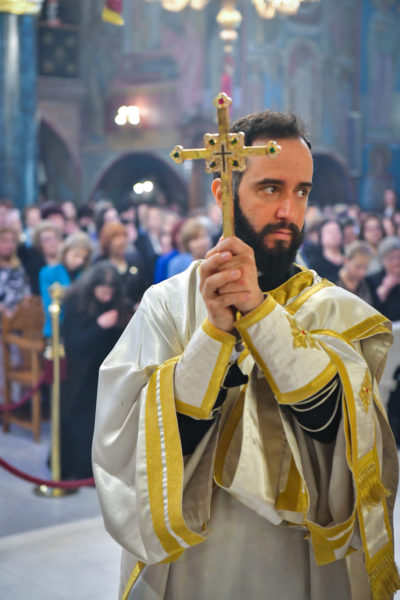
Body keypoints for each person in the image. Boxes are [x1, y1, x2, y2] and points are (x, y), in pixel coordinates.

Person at [93, 111, 399, 600]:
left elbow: (338, 433)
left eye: (302, 191)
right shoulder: (168, 305)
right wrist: (213, 335)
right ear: (223, 195)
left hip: (296, 561)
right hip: (194, 558)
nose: (289, 210)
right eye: (271, 189)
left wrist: (258, 313)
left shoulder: (336, 311)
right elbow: (129, 443)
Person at [60, 262, 126, 479]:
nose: (107, 294)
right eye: (102, 289)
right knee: (82, 424)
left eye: (111, 289)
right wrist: (99, 326)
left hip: (106, 373)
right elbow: (74, 344)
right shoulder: (76, 303)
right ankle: (81, 471)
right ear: (92, 287)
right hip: (81, 375)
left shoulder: (117, 302)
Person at [39, 231, 93, 337]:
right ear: (65, 251)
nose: (79, 261)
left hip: (81, 330)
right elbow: (49, 306)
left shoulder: (86, 273)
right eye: (76, 255)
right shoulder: (47, 272)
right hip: (57, 329)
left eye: (83, 258)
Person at [367, 236, 400, 322]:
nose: (396, 262)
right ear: (382, 261)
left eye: (398, 257)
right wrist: (385, 288)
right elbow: (371, 310)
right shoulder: (372, 280)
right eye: (390, 259)